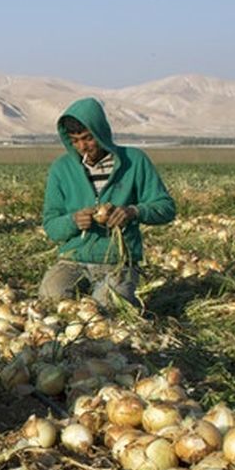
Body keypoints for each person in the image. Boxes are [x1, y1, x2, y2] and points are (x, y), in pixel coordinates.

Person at [39, 97, 176, 310]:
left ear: (101, 133)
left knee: (104, 307)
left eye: (88, 138)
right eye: (75, 141)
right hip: (74, 260)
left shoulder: (134, 161)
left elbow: (166, 208)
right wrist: (73, 221)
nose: (82, 147)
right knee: (51, 297)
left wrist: (133, 211)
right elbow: (51, 226)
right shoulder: (61, 169)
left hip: (119, 262)